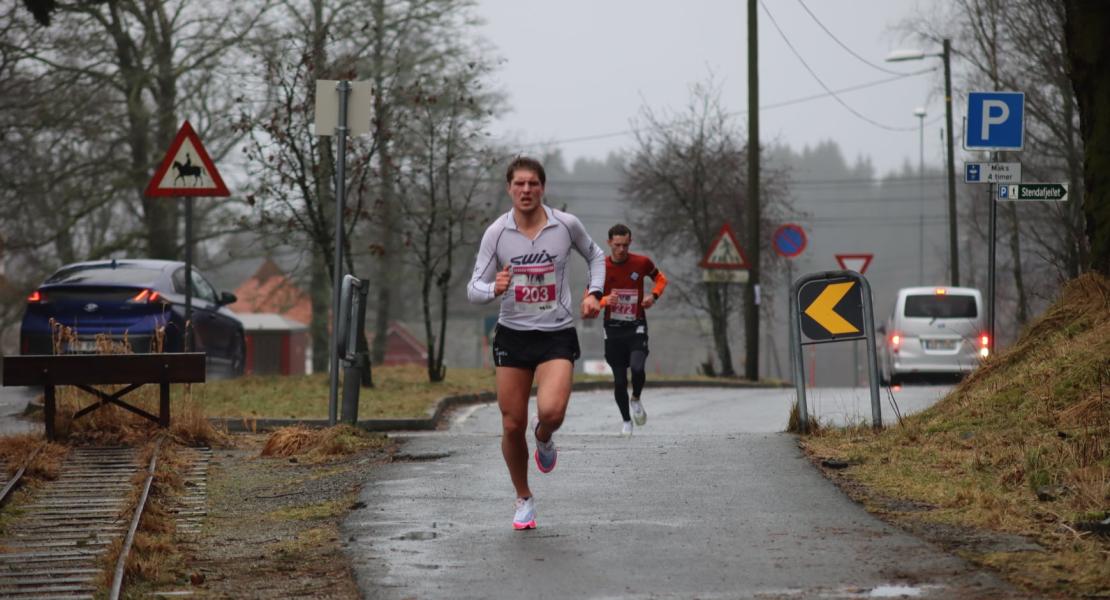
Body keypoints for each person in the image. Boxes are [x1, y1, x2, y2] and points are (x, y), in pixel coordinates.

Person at [467, 156, 605, 530]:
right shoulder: (497, 233)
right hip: (513, 334)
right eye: (519, 184)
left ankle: (544, 437)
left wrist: (594, 293)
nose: (526, 190)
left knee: (551, 413)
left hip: (556, 332)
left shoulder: (565, 225)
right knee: (512, 425)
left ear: (542, 188)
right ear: (509, 189)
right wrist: (491, 288)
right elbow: (473, 288)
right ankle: (523, 497)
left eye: (533, 184)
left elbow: (596, 255)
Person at [596, 224, 667, 436]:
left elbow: (661, 279)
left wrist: (653, 296)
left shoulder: (642, 262)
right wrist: (605, 300)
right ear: (609, 243)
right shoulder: (600, 267)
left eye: (625, 245)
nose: (621, 250)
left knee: (637, 368)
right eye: (617, 245)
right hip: (613, 328)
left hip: (636, 324)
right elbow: (589, 299)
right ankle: (626, 420)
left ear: (630, 242)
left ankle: (635, 397)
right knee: (619, 381)